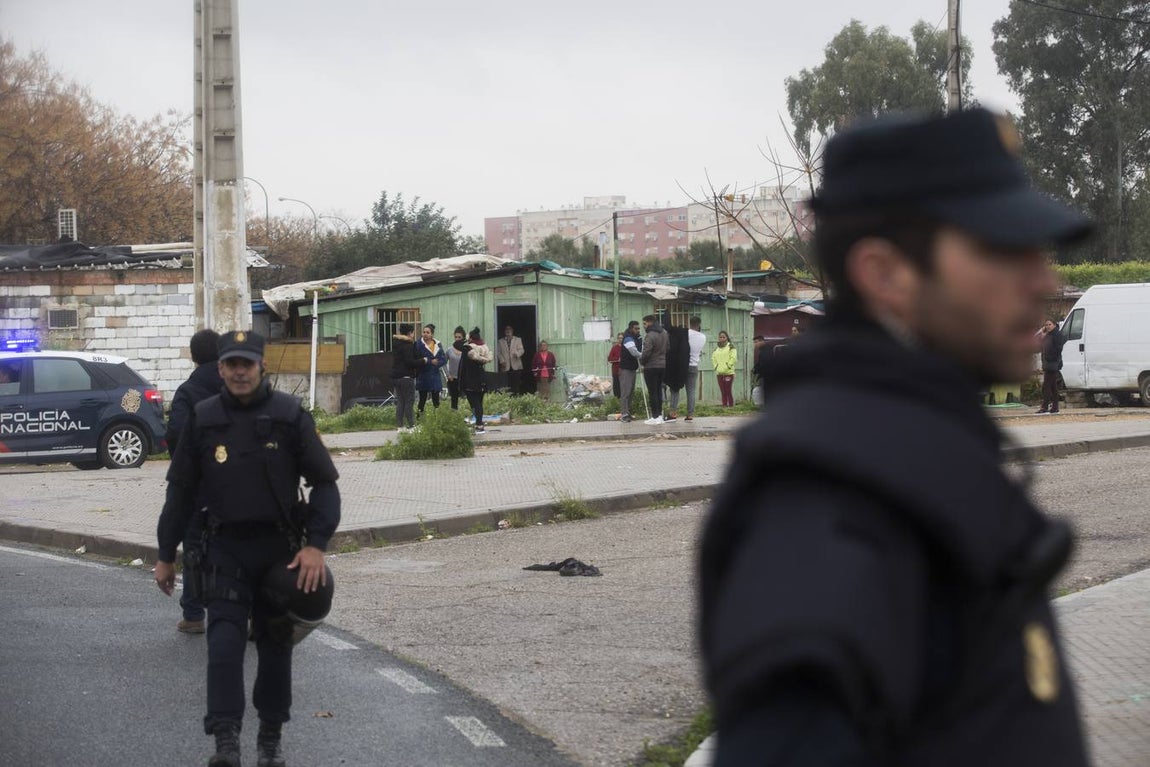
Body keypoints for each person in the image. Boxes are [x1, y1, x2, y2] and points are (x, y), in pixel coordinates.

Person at [699, 108, 1093, 766]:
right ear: (884, 274)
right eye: (1003, 249)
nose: (1044, 282)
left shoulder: (913, 458)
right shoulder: (828, 508)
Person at [155, 330, 341, 767]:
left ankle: (270, 739)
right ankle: (225, 741)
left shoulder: (289, 415)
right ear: (220, 369)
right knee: (222, 647)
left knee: (276, 649)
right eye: (231, 364)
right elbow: (179, 493)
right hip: (223, 550)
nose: (240, 371)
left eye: (247, 364)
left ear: (261, 367)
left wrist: (316, 545)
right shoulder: (203, 417)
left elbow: (325, 485)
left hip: (280, 554)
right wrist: (166, 555)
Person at [164, 328, 223, 635]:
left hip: (198, 485)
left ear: (193, 355)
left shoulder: (188, 390)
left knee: (194, 546)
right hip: (236, 485)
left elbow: (175, 432)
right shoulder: (238, 383)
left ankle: (194, 614)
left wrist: (185, 462)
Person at [456, 327, 493, 434]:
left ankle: (479, 424)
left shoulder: (468, 348)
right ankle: (479, 423)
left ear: (470, 337)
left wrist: (466, 340)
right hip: (481, 378)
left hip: (470, 380)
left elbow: (456, 345)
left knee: (475, 403)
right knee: (479, 403)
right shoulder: (484, 348)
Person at [390, 323, 425, 432]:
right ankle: (411, 426)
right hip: (406, 377)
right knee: (409, 401)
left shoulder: (397, 344)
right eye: (413, 332)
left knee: (401, 401)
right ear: (410, 333)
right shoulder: (407, 345)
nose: (414, 335)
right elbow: (410, 362)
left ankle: (400, 426)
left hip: (396, 377)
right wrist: (423, 361)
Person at [639, 314, 668, 425]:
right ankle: (660, 416)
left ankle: (654, 416)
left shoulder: (650, 335)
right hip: (662, 365)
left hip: (651, 367)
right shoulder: (664, 333)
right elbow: (668, 348)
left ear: (650, 322)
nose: (644, 326)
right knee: (659, 391)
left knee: (652, 392)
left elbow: (646, 352)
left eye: (645, 324)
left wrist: (642, 361)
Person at [662, 313, 690, 421]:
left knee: (663, 387)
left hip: (667, 366)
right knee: (674, 390)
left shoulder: (664, 334)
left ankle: (666, 411)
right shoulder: (683, 335)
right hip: (678, 367)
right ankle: (672, 412)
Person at [415, 323, 446, 417]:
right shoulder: (418, 344)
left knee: (436, 399)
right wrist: (429, 361)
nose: (425, 334)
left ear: (432, 334)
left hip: (435, 375)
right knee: (422, 399)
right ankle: (419, 419)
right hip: (423, 374)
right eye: (424, 332)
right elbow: (416, 359)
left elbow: (443, 359)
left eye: (427, 332)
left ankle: (437, 419)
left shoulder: (438, 344)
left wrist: (438, 363)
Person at [1039, 319, 1067, 414]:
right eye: (1046, 325)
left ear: (1054, 325)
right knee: (1053, 386)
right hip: (1047, 363)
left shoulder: (1057, 335)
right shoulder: (1048, 335)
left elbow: (1058, 349)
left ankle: (1045, 406)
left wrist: (1051, 358)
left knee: (1046, 386)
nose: (1048, 326)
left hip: (1053, 363)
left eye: (1050, 324)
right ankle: (1055, 407)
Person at [619, 321, 642, 422]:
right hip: (626, 369)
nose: (638, 330)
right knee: (625, 392)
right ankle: (624, 414)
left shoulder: (637, 338)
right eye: (636, 328)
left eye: (639, 328)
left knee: (630, 393)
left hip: (632, 368)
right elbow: (633, 351)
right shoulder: (628, 338)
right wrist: (643, 355)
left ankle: (628, 412)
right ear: (631, 328)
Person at [685, 317, 707, 421]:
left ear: (689, 323)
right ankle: (690, 414)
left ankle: (673, 412)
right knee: (691, 391)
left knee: (675, 389)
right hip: (694, 365)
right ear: (699, 324)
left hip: (683, 365)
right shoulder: (703, 337)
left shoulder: (686, 333)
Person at [711, 331, 737, 407]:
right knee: (723, 391)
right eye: (720, 337)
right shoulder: (716, 349)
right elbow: (713, 358)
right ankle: (724, 406)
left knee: (728, 390)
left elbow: (733, 358)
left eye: (723, 337)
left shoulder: (731, 347)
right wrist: (716, 366)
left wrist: (728, 366)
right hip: (719, 373)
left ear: (727, 338)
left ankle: (731, 406)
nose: (722, 338)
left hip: (728, 373)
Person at [497, 325, 525, 395]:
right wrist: (502, 361)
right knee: (506, 383)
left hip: (516, 364)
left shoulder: (518, 339)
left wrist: (517, 354)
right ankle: (507, 397)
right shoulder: (500, 341)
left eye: (509, 329)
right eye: (506, 329)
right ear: (504, 331)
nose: (508, 331)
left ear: (512, 331)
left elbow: (522, 350)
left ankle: (516, 396)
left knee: (516, 383)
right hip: (505, 365)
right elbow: (498, 352)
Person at [445, 326, 466, 410]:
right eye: (456, 337)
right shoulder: (450, 350)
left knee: (465, 399)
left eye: (459, 337)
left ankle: (465, 416)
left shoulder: (466, 349)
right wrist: (448, 375)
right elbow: (443, 362)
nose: (457, 339)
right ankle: (454, 416)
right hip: (452, 379)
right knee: (454, 399)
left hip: (463, 379)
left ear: (463, 338)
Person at [607, 333, 624, 400]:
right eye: (619, 338)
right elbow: (610, 359)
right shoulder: (614, 348)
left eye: (622, 338)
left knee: (623, 386)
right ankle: (616, 399)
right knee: (616, 386)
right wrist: (617, 359)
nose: (620, 339)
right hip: (616, 371)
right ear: (617, 339)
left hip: (624, 371)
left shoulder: (626, 348)